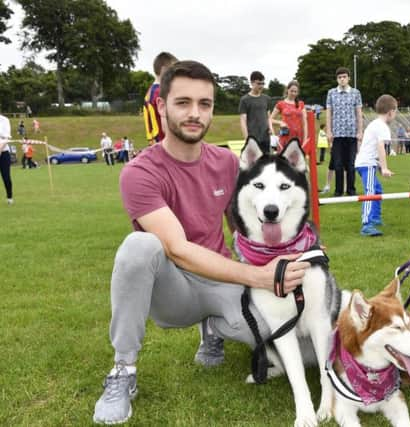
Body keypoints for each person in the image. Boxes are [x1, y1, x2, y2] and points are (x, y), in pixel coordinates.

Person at [92, 61, 311, 425]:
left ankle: (215, 328)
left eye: (205, 104)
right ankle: (123, 370)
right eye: (183, 103)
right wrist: (259, 277)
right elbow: (176, 248)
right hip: (173, 290)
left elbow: (244, 227)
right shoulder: (139, 172)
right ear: (161, 107)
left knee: (295, 347)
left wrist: (295, 253)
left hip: (221, 282)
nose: (195, 114)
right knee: (139, 246)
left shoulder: (226, 161)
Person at [355, 95, 396, 236]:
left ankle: (376, 218)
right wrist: (383, 168)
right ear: (391, 112)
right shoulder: (382, 127)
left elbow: (371, 147)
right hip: (367, 164)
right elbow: (380, 148)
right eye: (395, 112)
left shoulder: (374, 124)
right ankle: (367, 224)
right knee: (370, 191)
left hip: (365, 162)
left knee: (377, 189)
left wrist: (379, 166)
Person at [326, 67, 363, 197]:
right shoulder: (331, 93)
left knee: (351, 164)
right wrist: (329, 131)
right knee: (337, 164)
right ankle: (338, 190)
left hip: (352, 134)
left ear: (349, 78)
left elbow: (359, 113)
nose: (342, 79)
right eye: (340, 77)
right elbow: (329, 113)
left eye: (344, 77)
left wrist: (360, 131)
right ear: (337, 79)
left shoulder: (356, 93)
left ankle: (351, 190)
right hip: (337, 134)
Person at [144, 52, 178, 145]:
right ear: (164, 70)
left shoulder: (150, 91)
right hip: (163, 142)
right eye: (173, 70)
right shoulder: (160, 92)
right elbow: (165, 125)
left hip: (154, 141)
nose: (175, 74)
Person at [270, 80, 308, 152]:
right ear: (287, 90)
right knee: (283, 162)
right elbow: (270, 119)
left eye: (295, 92)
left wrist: (305, 140)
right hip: (284, 138)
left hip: (298, 138)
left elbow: (305, 123)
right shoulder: (280, 104)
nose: (293, 93)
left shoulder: (301, 104)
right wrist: (280, 122)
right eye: (292, 91)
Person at [239, 71, 271, 154]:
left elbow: (268, 117)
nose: (261, 86)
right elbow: (243, 121)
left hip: (265, 138)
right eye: (259, 83)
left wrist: (271, 128)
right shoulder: (244, 100)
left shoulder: (266, 99)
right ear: (252, 83)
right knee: (253, 165)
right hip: (253, 139)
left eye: (263, 83)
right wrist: (247, 139)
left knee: (265, 163)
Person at [0, 112, 13, 205]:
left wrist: (0, 148)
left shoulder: (4, 120)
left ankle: (9, 197)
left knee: (6, 177)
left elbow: (7, 137)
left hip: (3, 152)